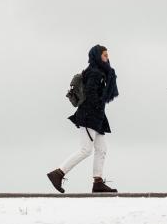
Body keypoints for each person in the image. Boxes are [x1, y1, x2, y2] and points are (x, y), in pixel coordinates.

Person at [47, 44, 119, 193]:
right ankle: (58, 173)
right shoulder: (95, 72)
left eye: (107, 55)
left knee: (102, 149)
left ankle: (98, 182)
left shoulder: (100, 71)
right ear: (97, 56)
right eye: (105, 55)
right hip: (89, 115)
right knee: (86, 150)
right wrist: (98, 106)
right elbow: (90, 93)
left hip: (96, 116)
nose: (107, 58)